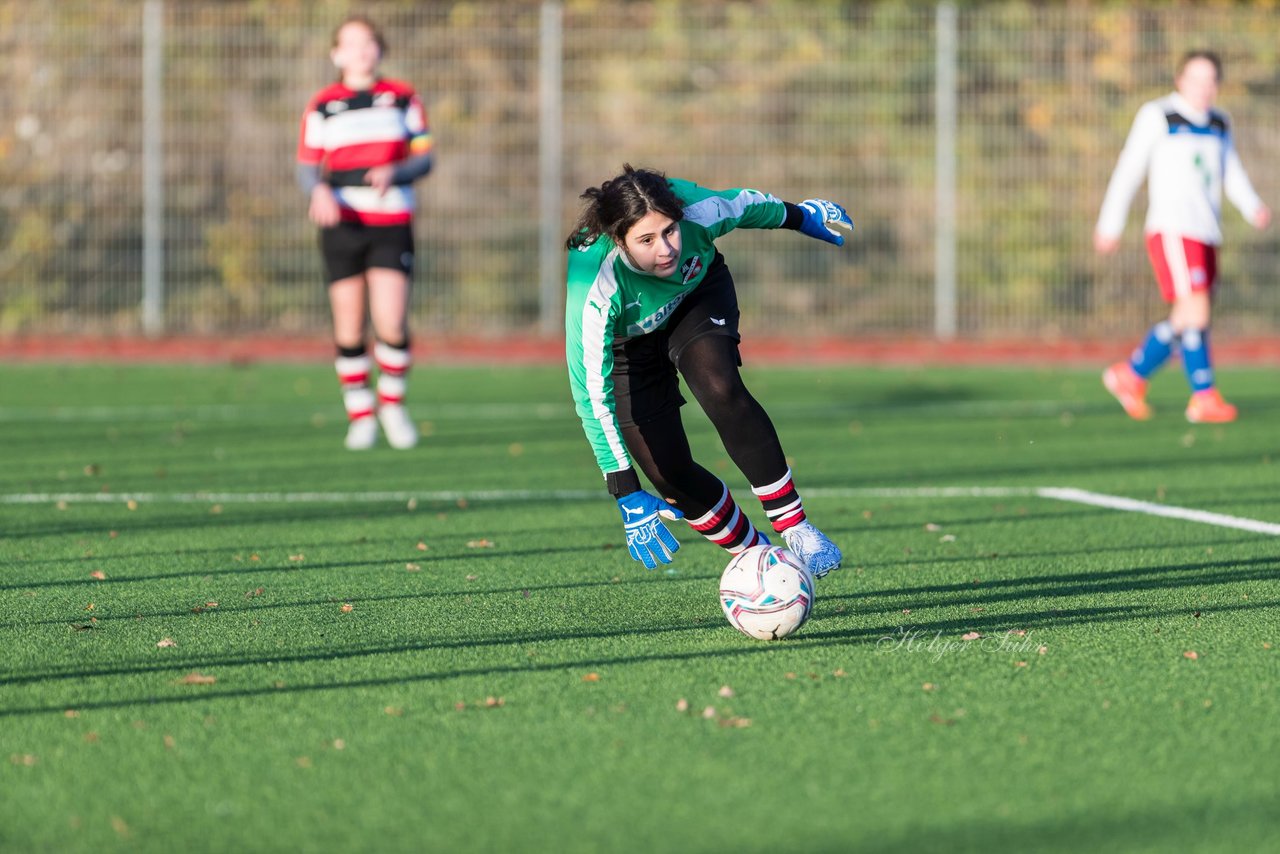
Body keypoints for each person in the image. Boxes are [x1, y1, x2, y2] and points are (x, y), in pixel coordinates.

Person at [565, 165, 852, 576]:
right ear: (618, 240)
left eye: (669, 231)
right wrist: (625, 489)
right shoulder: (594, 285)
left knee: (719, 386)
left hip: (693, 297)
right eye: (645, 240)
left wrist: (800, 216)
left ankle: (797, 527)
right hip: (628, 345)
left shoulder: (697, 210)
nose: (665, 249)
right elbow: (591, 395)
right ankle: (760, 561)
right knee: (667, 474)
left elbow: (746, 205)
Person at [1095, 50, 1270, 424]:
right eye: (1196, 79)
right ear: (1180, 81)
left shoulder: (1221, 122)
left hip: (1208, 231)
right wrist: (1110, 223)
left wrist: (1252, 206)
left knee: (1190, 315)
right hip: (1173, 227)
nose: (1204, 88)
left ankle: (1131, 374)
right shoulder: (1158, 115)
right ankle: (1203, 396)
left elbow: (1231, 171)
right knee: (1197, 310)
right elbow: (1129, 170)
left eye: (1211, 81)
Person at [296, 15, 434, 449]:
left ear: (379, 49)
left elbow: (425, 158)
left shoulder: (402, 98)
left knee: (391, 322)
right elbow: (306, 166)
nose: (361, 50)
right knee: (350, 327)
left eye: (368, 41)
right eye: (351, 43)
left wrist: (397, 170)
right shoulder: (323, 104)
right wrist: (316, 189)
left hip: (390, 224)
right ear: (336, 54)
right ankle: (360, 415)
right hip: (342, 225)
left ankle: (392, 405)